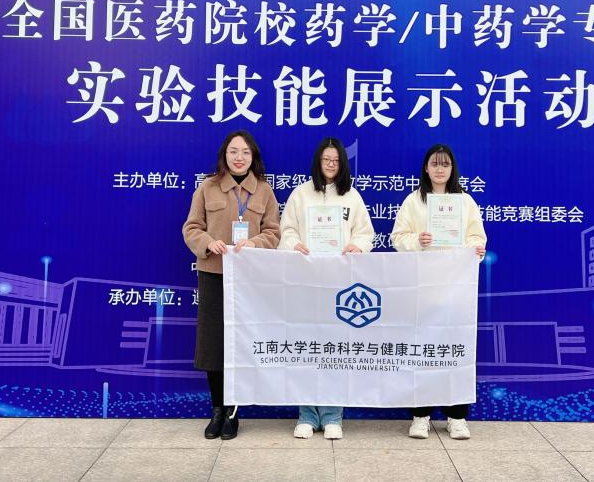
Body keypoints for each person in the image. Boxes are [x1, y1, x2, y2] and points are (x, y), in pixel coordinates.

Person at [183, 130, 281, 440]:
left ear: (253, 157)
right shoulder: (207, 187)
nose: (239, 157)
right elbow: (191, 228)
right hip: (214, 274)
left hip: (250, 278)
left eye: (245, 152)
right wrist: (208, 243)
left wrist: (254, 243)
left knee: (242, 344)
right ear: (224, 155)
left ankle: (233, 413)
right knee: (214, 345)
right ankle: (217, 411)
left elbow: (274, 233)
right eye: (233, 151)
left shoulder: (263, 190)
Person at [279, 137, 374, 440]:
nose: (331, 165)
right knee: (307, 349)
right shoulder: (301, 194)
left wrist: (356, 246)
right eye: (326, 159)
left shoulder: (351, 196)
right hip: (306, 280)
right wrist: (295, 244)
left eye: (336, 160)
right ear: (318, 162)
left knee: (334, 350)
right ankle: (307, 415)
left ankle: (333, 416)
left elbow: (365, 233)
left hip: (339, 283)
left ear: (342, 163)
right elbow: (286, 230)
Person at [391, 143, 486, 440]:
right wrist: (417, 240)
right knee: (422, 351)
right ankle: (420, 415)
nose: (440, 169)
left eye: (445, 164)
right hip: (423, 287)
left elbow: (477, 237)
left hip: (456, 288)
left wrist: (475, 249)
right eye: (435, 163)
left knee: (456, 349)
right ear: (426, 168)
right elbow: (397, 237)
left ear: (452, 168)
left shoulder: (465, 202)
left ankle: (456, 417)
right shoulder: (414, 201)